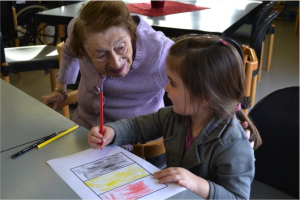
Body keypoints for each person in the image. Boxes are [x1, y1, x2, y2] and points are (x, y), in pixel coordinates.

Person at [88, 35, 262, 199]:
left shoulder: (232, 143)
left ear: (204, 97)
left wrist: (197, 184)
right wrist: (113, 131)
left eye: (173, 83)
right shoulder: (175, 116)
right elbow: (137, 126)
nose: (166, 88)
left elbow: (237, 197)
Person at [41, 1, 174, 168]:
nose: (117, 63)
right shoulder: (79, 29)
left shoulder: (162, 52)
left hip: (138, 145)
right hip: (84, 131)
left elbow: (196, 89)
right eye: (101, 55)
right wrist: (61, 88)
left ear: (131, 32)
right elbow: (69, 49)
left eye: (121, 47)